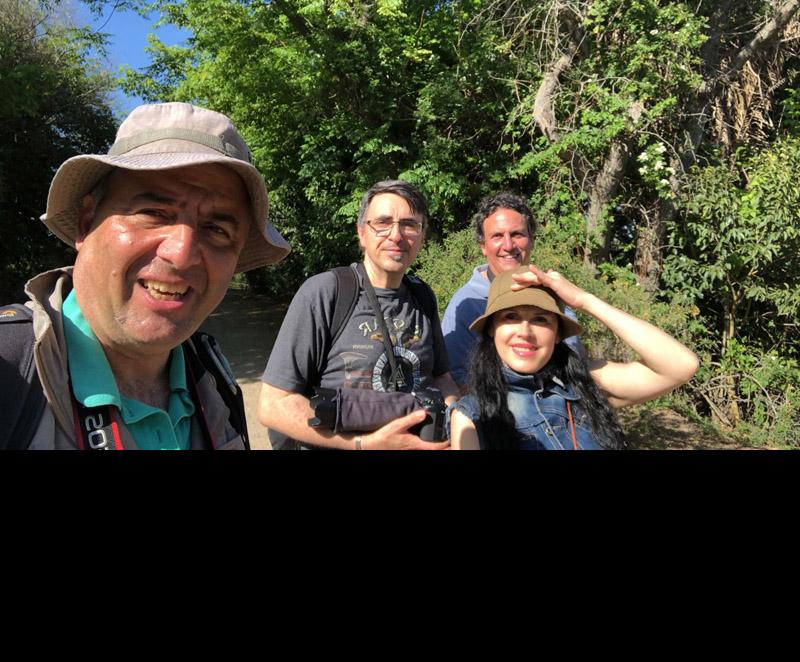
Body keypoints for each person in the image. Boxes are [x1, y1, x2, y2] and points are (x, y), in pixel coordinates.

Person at [1, 102, 290, 450]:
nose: (181, 253)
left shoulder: (211, 375)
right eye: (153, 213)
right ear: (86, 223)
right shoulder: (10, 373)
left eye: (216, 229)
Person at [258, 180, 459, 450]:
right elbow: (273, 404)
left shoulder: (422, 296)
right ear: (362, 233)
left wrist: (452, 420)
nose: (396, 235)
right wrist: (364, 443)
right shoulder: (326, 293)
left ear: (422, 236)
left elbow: (442, 379)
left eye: (409, 224)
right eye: (383, 223)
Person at [449, 266, 699, 450]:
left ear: (558, 333)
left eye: (540, 319)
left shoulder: (586, 385)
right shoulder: (473, 415)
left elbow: (681, 366)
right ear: (492, 329)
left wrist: (584, 300)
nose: (525, 332)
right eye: (511, 317)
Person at [442, 192, 583, 390]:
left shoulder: (553, 294)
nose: (508, 246)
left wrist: (583, 300)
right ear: (483, 246)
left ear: (531, 240)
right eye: (497, 236)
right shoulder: (466, 304)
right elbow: (456, 379)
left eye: (517, 234)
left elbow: (577, 367)